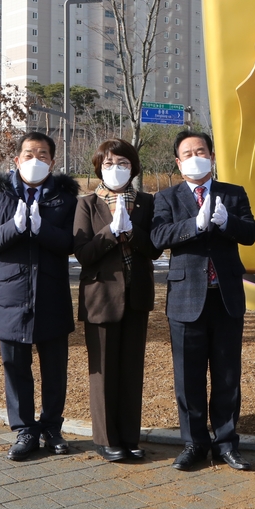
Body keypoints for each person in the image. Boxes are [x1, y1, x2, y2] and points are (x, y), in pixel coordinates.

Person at [151, 130, 255, 472]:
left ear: (212, 157)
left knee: (227, 375)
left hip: (225, 296)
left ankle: (226, 442)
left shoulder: (233, 193)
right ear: (178, 162)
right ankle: (194, 443)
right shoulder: (166, 197)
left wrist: (228, 223)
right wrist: (193, 226)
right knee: (188, 376)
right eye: (188, 153)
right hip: (186, 297)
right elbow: (157, 237)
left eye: (201, 151)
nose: (195, 157)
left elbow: (251, 232)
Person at [0, 132, 79, 461]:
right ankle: (24, 430)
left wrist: (42, 229)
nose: (36, 160)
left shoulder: (65, 199)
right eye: (29, 154)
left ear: (53, 162)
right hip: (10, 296)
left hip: (51, 294)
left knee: (55, 369)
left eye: (43, 155)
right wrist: (15, 227)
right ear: (16, 159)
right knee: (16, 367)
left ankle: (51, 427)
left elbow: (72, 243)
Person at [73, 139, 161, 463]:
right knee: (104, 373)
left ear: (133, 167)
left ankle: (129, 437)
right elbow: (83, 253)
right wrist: (111, 232)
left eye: (122, 163)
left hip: (137, 294)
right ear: (99, 168)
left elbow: (155, 248)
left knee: (131, 370)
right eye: (108, 163)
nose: (115, 169)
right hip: (101, 297)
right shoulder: (87, 204)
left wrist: (132, 232)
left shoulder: (147, 202)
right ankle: (106, 439)